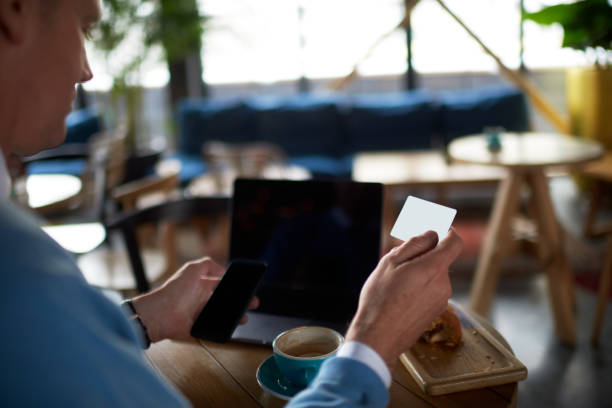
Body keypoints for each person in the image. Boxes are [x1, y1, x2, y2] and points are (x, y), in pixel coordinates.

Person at [0, 0, 463, 406]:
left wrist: (146, 317)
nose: (87, 69)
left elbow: (68, 356)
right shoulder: (17, 270)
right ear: (14, 9)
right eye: (84, 26)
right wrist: (371, 346)